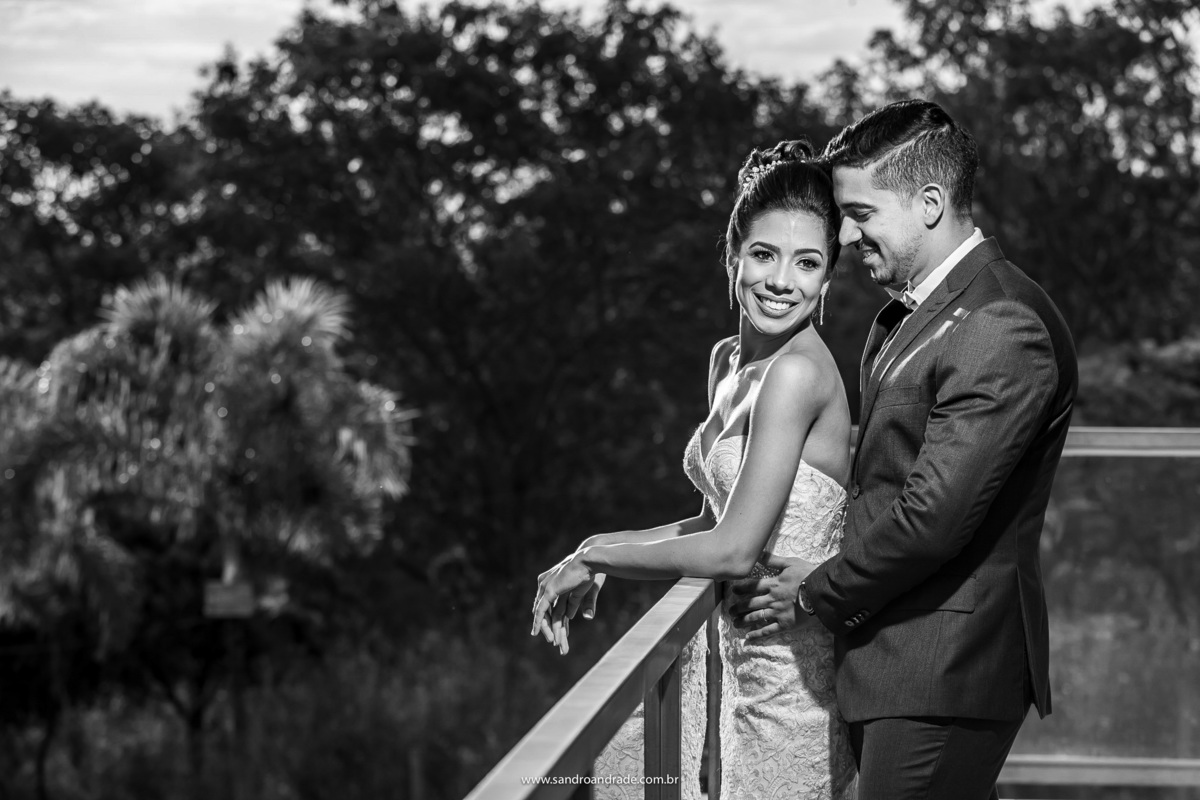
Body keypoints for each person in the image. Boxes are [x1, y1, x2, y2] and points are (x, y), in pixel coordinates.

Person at [729, 99, 1079, 800]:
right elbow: (884, 470)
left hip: (941, 671)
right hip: (891, 660)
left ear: (927, 203)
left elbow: (934, 518)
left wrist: (810, 589)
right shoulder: (904, 319)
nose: (847, 234)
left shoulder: (999, 322)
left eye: (860, 213)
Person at [531, 138, 857, 799]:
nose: (780, 280)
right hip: (724, 665)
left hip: (788, 688)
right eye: (764, 254)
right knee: (621, 773)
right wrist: (596, 547)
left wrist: (599, 558)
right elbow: (712, 522)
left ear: (826, 280)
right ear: (733, 256)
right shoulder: (726, 363)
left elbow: (734, 552)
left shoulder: (796, 375)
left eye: (807, 263)